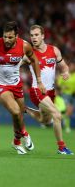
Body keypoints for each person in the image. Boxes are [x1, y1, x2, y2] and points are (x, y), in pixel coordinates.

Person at [0, 21, 46, 155]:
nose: (7, 40)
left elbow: (35, 60)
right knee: (15, 110)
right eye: (5, 36)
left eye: (10, 37)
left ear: (16, 36)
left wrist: (40, 81)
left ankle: (16, 142)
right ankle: (24, 134)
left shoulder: (24, 46)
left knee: (18, 115)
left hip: (16, 84)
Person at [23, 25, 73, 155]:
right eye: (32, 35)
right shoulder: (29, 54)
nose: (34, 38)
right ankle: (61, 147)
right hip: (36, 91)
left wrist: (66, 72)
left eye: (36, 35)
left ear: (43, 36)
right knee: (57, 114)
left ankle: (24, 109)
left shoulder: (54, 50)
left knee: (44, 120)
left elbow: (64, 66)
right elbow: (12, 64)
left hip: (50, 92)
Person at [56, 62, 75, 133]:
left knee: (70, 112)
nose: (72, 67)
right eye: (71, 66)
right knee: (67, 110)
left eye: (73, 66)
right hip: (65, 94)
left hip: (73, 95)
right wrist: (64, 87)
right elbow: (58, 84)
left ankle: (59, 121)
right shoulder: (65, 75)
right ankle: (67, 127)